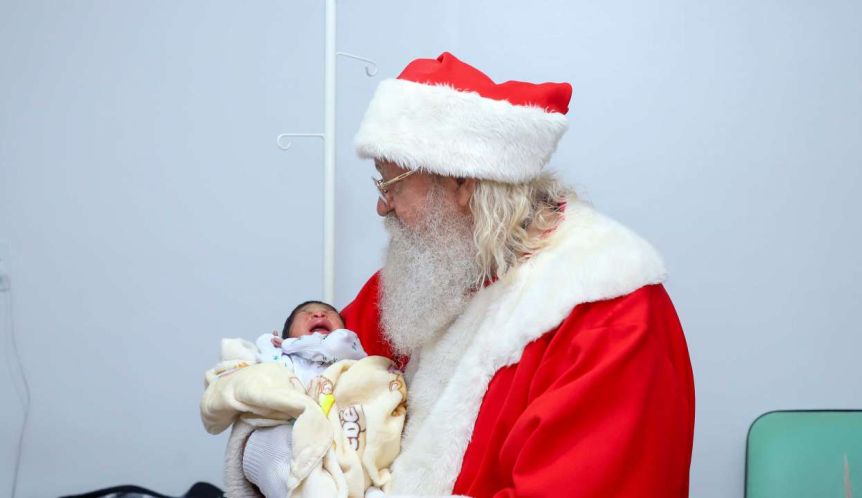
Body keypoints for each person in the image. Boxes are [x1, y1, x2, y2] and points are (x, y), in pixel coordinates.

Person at [341, 52, 695, 497]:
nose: (382, 206)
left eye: (392, 184)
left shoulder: (609, 313)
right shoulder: (437, 271)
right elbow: (317, 363)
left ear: (462, 182)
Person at [200, 302, 407, 498]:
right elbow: (261, 377)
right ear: (286, 335)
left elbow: (363, 375)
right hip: (299, 429)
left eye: (328, 312)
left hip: (347, 432)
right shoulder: (284, 358)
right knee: (289, 454)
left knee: (373, 484)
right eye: (306, 313)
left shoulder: (354, 355)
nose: (318, 314)